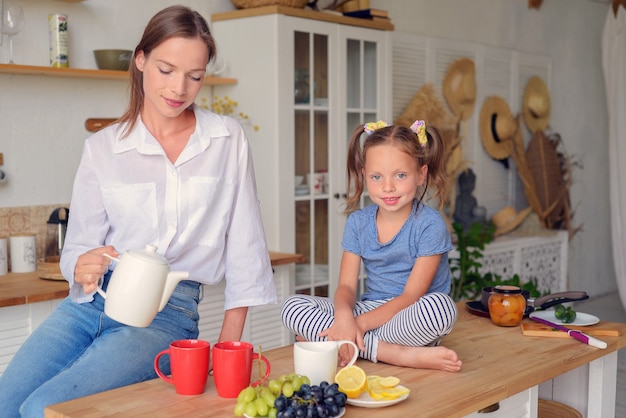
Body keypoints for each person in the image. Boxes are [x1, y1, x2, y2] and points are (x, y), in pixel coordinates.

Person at [0, 6, 276, 417]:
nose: (179, 87)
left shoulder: (225, 139)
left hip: (168, 314)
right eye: (166, 69)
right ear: (141, 60)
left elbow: (246, 243)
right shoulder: (103, 148)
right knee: (6, 404)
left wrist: (229, 343)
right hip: (92, 302)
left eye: (195, 76)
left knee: (42, 408)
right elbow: (78, 247)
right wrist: (82, 265)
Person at [281, 120, 462, 372]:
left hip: (409, 314)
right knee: (292, 307)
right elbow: (345, 286)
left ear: (421, 175)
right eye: (377, 177)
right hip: (369, 308)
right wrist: (345, 317)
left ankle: (337, 342)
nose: (388, 187)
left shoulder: (429, 225)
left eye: (400, 175)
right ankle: (394, 353)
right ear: (365, 176)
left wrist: (355, 325)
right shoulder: (358, 223)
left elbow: (411, 295)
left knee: (441, 310)